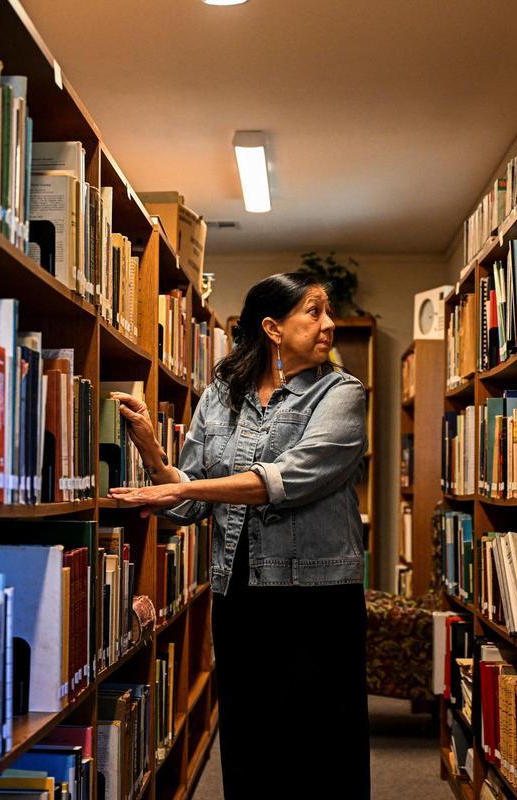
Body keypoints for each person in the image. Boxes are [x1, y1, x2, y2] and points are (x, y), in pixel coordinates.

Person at [108, 272, 371, 799]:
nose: (329, 324)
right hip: (240, 597)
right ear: (273, 328)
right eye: (314, 312)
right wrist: (154, 457)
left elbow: (289, 478)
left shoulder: (342, 394)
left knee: (323, 746)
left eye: (328, 312)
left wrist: (182, 491)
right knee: (251, 743)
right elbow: (188, 502)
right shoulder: (219, 399)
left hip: (315, 596)